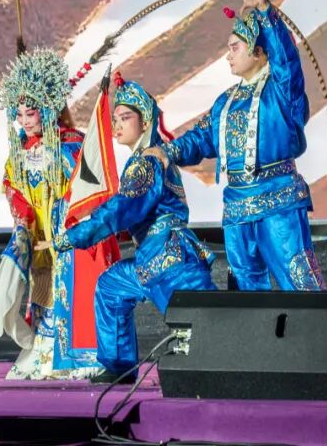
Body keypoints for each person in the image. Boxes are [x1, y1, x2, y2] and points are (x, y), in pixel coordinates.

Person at [146, 0, 326, 291]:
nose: (228, 56)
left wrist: (265, 9)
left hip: (279, 202)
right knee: (245, 295)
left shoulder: (281, 92)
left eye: (234, 48)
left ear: (258, 51)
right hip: (237, 208)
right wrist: (167, 151)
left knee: (300, 284)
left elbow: (286, 60)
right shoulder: (225, 103)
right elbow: (201, 138)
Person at [38, 75, 215, 380]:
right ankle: (118, 367)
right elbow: (132, 211)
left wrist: (72, 237)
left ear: (145, 122)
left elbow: (123, 208)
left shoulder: (147, 162)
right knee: (111, 286)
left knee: (204, 329)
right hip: (150, 257)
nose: (116, 125)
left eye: (125, 118)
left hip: (170, 258)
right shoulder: (142, 159)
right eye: (115, 119)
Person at [0, 48, 120, 380]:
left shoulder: (71, 145)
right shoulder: (19, 153)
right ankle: (43, 351)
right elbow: (13, 189)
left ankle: (75, 355)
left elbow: (86, 192)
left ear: (47, 110)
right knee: (41, 290)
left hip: (64, 235)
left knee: (68, 290)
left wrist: (62, 226)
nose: (25, 121)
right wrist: (24, 223)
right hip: (37, 235)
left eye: (31, 113)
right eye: (19, 115)